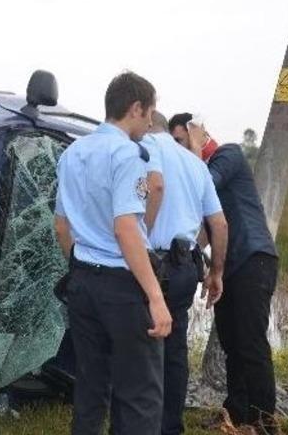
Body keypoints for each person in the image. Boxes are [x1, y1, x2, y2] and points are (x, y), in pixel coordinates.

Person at [54, 71, 172, 435]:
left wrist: (81, 268)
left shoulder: (73, 152)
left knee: (90, 387)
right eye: (150, 113)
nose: (151, 122)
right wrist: (155, 297)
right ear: (135, 108)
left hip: (83, 282)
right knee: (140, 394)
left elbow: (61, 226)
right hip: (122, 287)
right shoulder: (129, 154)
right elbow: (126, 229)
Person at [169, 113, 279, 433]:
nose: (178, 148)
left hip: (253, 260)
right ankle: (237, 414)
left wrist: (194, 145)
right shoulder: (202, 164)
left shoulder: (227, 154)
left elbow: (201, 182)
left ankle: (264, 421)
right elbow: (203, 228)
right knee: (232, 344)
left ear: (196, 134)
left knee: (252, 345)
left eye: (181, 140)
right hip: (231, 267)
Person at [140, 112, 228, 435]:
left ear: (148, 123)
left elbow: (154, 188)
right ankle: (170, 427)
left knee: (138, 346)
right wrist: (216, 271)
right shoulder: (196, 165)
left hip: (150, 262)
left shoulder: (144, 146)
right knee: (175, 351)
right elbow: (219, 224)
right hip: (184, 269)